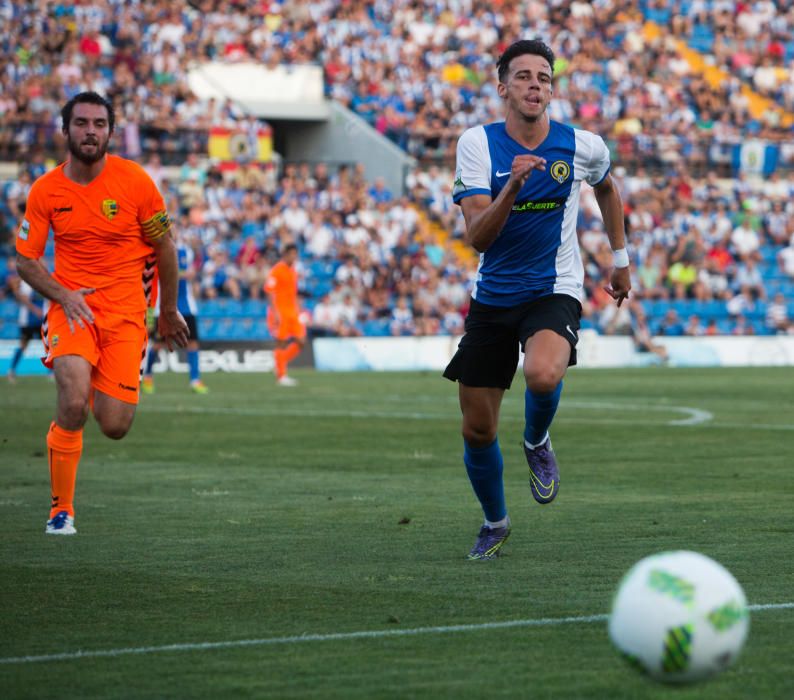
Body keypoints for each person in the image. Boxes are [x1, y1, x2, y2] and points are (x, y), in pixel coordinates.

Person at [443, 40, 631, 560]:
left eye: (544, 78)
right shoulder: (477, 144)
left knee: (544, 374)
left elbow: (609, 189)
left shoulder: (581, 145)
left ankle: (535, 440)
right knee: (477, 428)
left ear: (552, 89)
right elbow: (478, 237)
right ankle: (494, 521)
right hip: (495, 297)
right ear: (503, 86)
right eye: (523, 76)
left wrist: (620, 259)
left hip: (554, 289)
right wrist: (514, 187)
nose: (534, 85)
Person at [14, 91, 189, 535]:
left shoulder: (136, 183)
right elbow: (25, 260)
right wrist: (64, 294)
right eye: (81, 123)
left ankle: (98, 378)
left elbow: (165, 248)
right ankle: (61, 511)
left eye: (98, 123)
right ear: (65, 129)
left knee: (114, 425)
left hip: (128, 314)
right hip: (71, 310)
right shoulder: (46, 190)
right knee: (72, 403)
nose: (89, 131)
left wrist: (166, 310)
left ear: (110, 132)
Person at [142, 231, 208, 394]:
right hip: (163, 306)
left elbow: (192, 272)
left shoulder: (187, 251)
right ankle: (148, 376)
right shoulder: (156, 251)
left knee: (192, 343)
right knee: (158, 344)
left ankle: (195, 380)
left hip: (187, 306)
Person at [264, 243, 305, 386]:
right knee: (281, 342)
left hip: (292, 312)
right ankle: (281, 375)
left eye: (296, 254)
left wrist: (298, 309)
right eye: (292, 254)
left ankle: (279, 363)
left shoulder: (293, 270)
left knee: (301, 341)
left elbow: (293, 293)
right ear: (286, 254)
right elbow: (269, 291)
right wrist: (275, 312)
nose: (294, 257)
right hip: (280, 312)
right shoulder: (277, 270)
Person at [7, 269, 47, 383]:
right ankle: (12, 370)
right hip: (27, 320)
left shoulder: (41, 282)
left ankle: (52, 372)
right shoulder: (26, 283)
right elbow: (22, 298)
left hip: (41, 319)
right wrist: (35, 310)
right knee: (23, 344)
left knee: (49, 345)